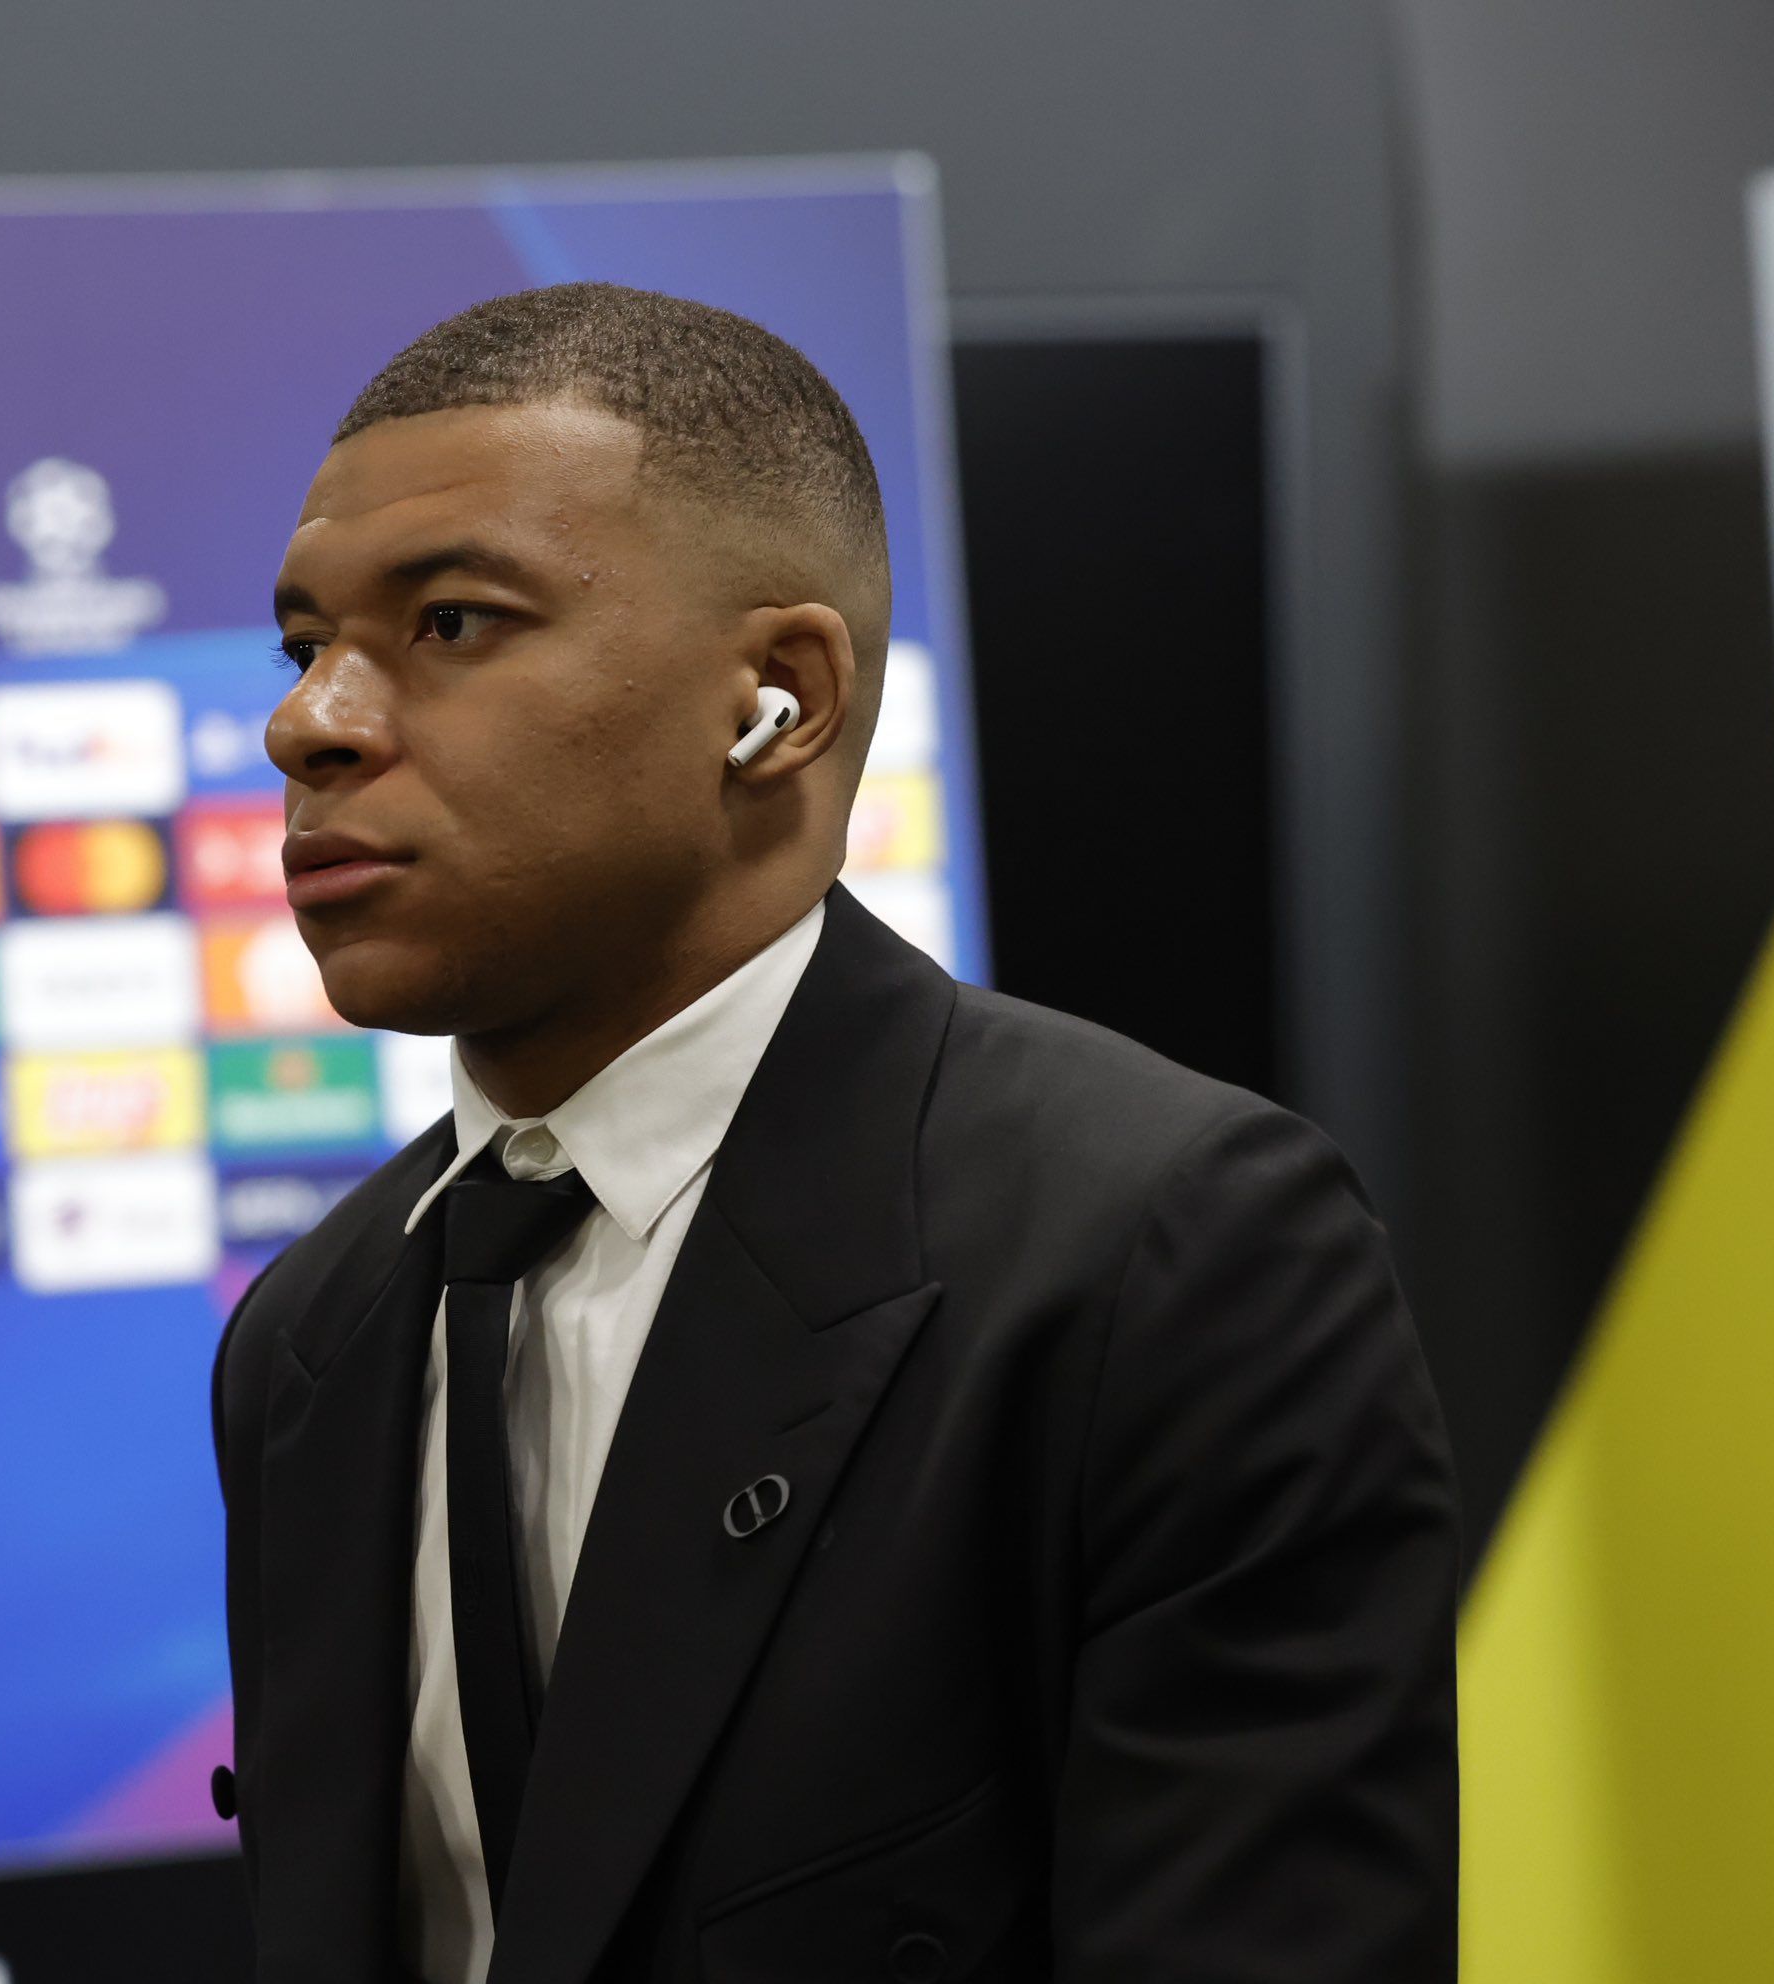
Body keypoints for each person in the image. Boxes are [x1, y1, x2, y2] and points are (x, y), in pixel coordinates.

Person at [211, 283, 1458, 1982]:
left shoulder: (1165, 1254)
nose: (310, 723)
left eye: (450, 622)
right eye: (303, 647)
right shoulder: (313, 1337)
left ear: (779, 701)